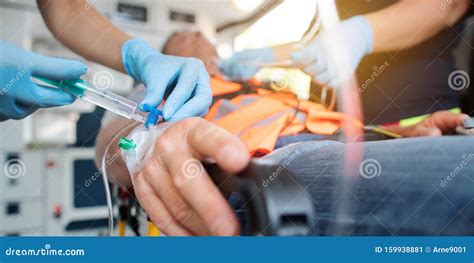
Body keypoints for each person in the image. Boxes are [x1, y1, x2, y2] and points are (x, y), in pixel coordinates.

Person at [95, 31, 474, 236]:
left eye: (203, 37)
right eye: (183, 38)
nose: (197, 35)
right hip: (273, 164)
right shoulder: (166, 80)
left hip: (354, 143)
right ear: (171, 55)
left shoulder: (261, 80)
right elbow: (108, 146)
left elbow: (333, 125)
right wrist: (144, 145)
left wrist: (404, 135)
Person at [220, 0, 471, 124]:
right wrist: (261, 56)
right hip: (346, 129)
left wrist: (362, 33)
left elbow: (450, 4)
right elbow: (318, 43)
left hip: (418, 118)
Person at [0, 0, 211, 122]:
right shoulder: (146, 96)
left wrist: (139, 56)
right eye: (186, 37)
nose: (200, 36)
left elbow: (65, 7)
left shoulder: (168, 77)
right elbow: (113, 146)